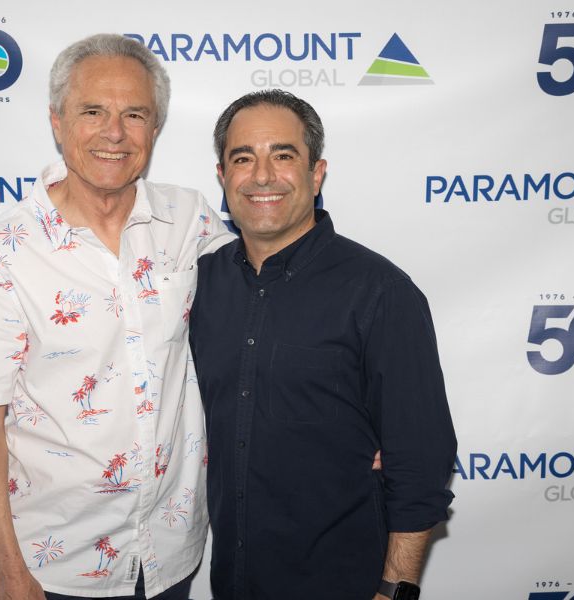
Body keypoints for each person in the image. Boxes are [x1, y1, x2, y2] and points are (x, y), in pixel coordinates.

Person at [0, 34, 232, 600]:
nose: (114, 133)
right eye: (92, 111)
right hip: (51, 568)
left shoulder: (191, 220)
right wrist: (9, 571)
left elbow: (262, 323)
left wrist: (342, 426)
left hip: (168, 559)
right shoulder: (3, 250)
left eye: (135, 114)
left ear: (157, 128)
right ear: (57, 120)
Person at [189, 89, 457, 600]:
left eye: (283, 155)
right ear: (223, 179)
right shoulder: (201, 284)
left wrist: (394, 589)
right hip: (233, 582)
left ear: (316, 173)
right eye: (243, 158)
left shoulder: (381, 293)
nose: (262, 175)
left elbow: (421, 460)